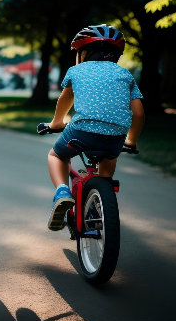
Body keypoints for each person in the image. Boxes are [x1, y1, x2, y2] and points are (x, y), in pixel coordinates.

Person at [45, 24, 145, 231]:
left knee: (57, 155)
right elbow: (139, 113)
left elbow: (65, 100)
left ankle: (62, 192)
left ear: (83, 53)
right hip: (116, 135)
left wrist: (56, 123)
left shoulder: (76, 70)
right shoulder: (125, 74)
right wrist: (131, 141)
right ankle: (99, 205)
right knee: (109, 160)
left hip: (81, 131)